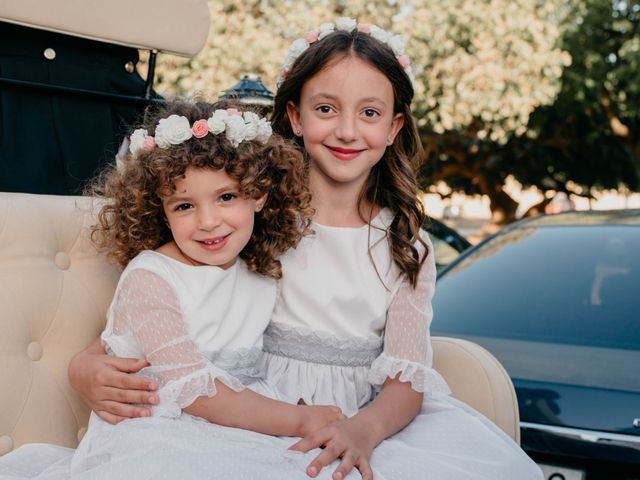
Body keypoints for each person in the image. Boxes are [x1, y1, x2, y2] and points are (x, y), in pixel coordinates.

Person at [66, 18, 543, 479]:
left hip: (366, 418)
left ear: (395, 126)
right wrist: (85, 364)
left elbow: (406, 382)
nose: (347, 131)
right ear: (295, 115)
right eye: (326, 109)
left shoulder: (405, 242)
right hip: (258, 406)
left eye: (370, 113)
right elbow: (170, 296)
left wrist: (363, 430)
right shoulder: (248, 214)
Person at [0, 99, 346, 479]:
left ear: (259, 194)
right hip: (163, 429)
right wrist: (299, 419)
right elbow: (195, 393)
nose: (208, 222)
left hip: (246, 421)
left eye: (226, 197)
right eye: (183, 206)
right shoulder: (152, 277)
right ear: (158, 210)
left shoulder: (260, 270)